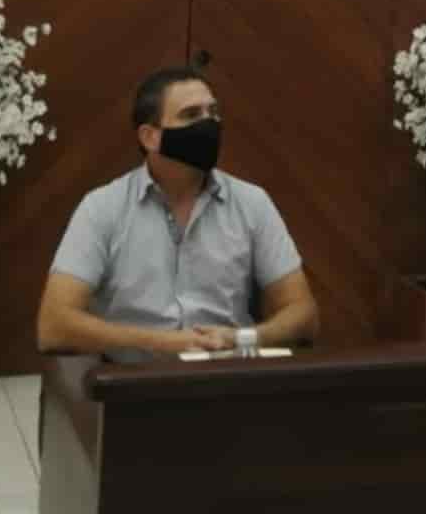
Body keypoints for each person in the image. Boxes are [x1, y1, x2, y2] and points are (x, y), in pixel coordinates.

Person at [36, 67, 319, 359]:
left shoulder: (251, 202)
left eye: (213, 113)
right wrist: (162, 343)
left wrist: (244, 338)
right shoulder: (102, 208)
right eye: (191, 114)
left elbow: (303, 313)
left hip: (227, 374)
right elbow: (54, 326)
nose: (208, 124)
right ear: (150, 137)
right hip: (133, 379)